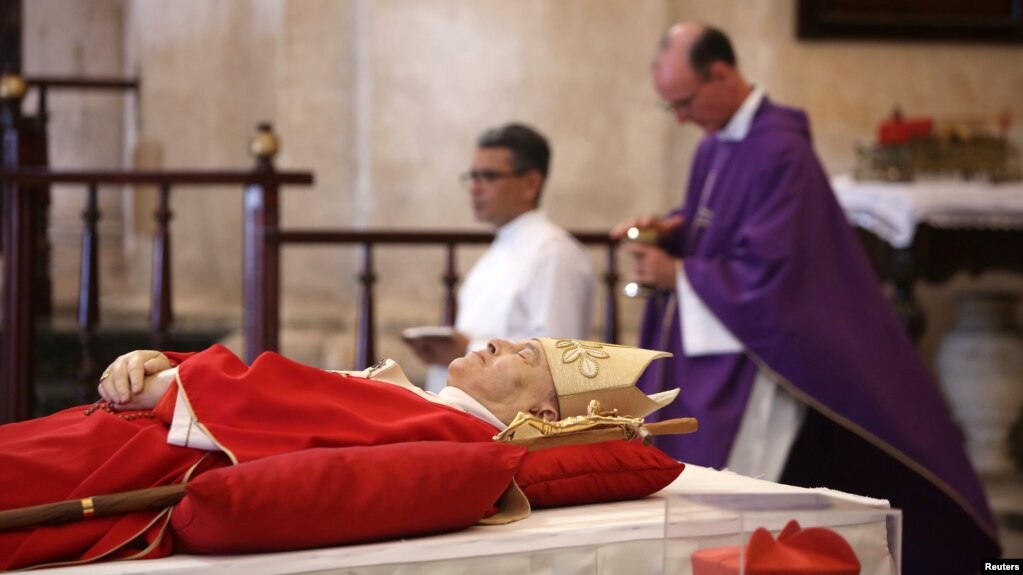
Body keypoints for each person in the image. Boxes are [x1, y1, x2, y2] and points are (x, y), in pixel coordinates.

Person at [611, 22, 999, 571]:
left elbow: (775, 270)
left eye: (685, 102)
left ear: (721, 75)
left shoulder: (781, 150)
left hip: (764, 356)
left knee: (742, 494)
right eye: (669, 107)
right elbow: (726, 231)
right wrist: (673, 231)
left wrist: (678, 273)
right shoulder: (717, 144)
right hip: (729, 340)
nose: (680, 118)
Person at [0, 337, 675, 570]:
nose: (498, 341)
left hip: (135, 460)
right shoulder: (432, 405)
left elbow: (281, 403)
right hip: (133, 429)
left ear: (543, 414)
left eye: (523, 356)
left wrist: (171, 381)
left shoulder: (454, 437)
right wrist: (165, 365)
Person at [405, 123, 595, 392]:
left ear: (530, 184)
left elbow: (561, 358)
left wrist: (465, 350)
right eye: (472, 176)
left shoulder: (554, 252)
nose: (474, 188)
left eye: (489, 176)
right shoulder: (500, 249)